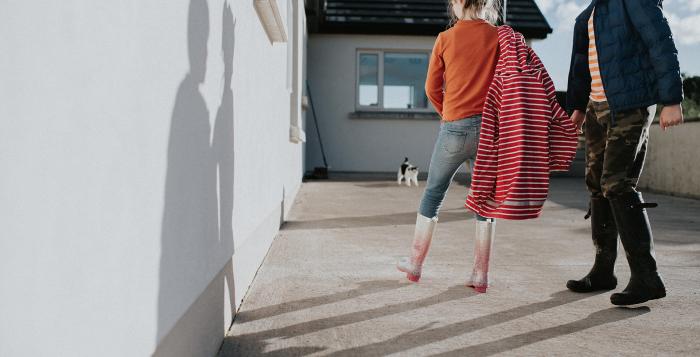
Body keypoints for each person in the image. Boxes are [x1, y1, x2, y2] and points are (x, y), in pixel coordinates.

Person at [565, 0, 684, 305]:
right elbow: (581, 64)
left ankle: (647, 277)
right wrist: (578, 107)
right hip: (596, 110)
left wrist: (672, 99)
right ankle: (603, 271)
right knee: (597, 186)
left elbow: (660, 41)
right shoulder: (587, 15)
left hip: (629, 104)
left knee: (617, 184)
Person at [397, 0, 501, 293]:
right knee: (484, 201)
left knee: (433, 194)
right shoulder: (499, 37)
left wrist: (449, 114)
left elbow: (431, 88)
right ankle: (481, 275)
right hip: (489, 132)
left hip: (454, 127)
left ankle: (415, 265)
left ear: (457, 3)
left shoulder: (445, 38)